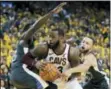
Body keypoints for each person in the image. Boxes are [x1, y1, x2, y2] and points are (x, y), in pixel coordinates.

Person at [9, 2, 66, 89]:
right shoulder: (23, 40)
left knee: (51, 85)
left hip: (15, 77)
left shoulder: (29, 47)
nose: (38, 34)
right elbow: (34, 27)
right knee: (48, 87)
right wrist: (51, 13)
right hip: (21, 73)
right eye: (35, 33)